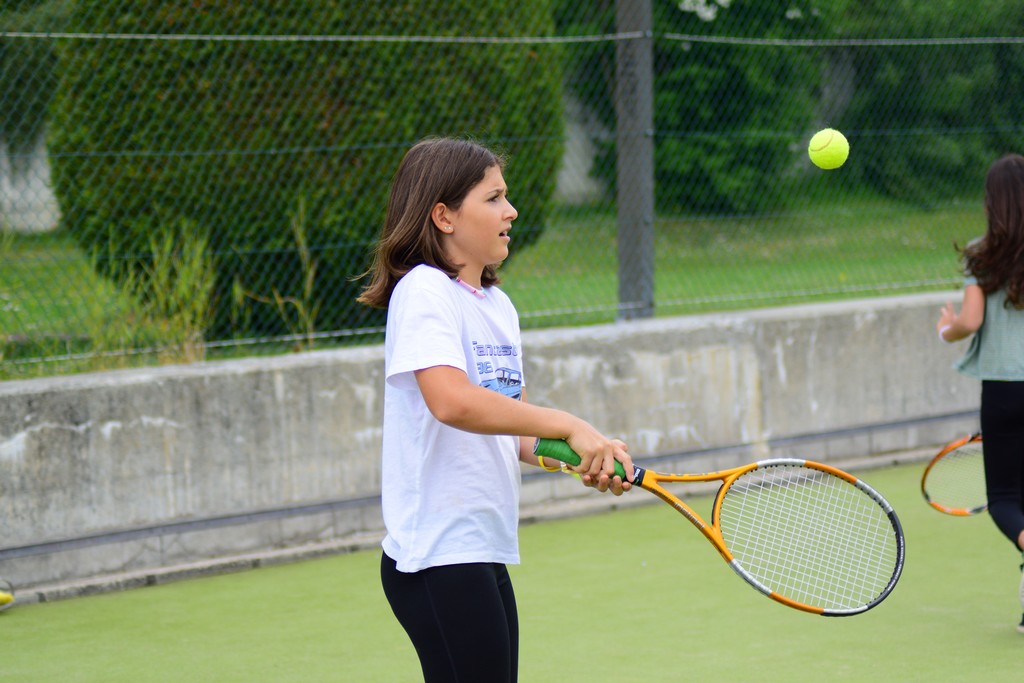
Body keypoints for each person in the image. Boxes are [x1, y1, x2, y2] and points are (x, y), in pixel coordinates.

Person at [358, 137, 634, 681]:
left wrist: (578, 455)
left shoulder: (497, 306)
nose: (510, 211)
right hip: (437, 553)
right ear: (443, 216)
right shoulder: (424, 291)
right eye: (493, 198)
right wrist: (570, 423)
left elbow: (515, 431)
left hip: (480, 547)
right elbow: (451, 401)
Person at [936, 153, 1024, 634]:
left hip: (1005, 391)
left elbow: (969, 322)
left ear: (993, 202)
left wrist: (946, 329)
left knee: (1007, 498)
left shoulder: (983, 252)